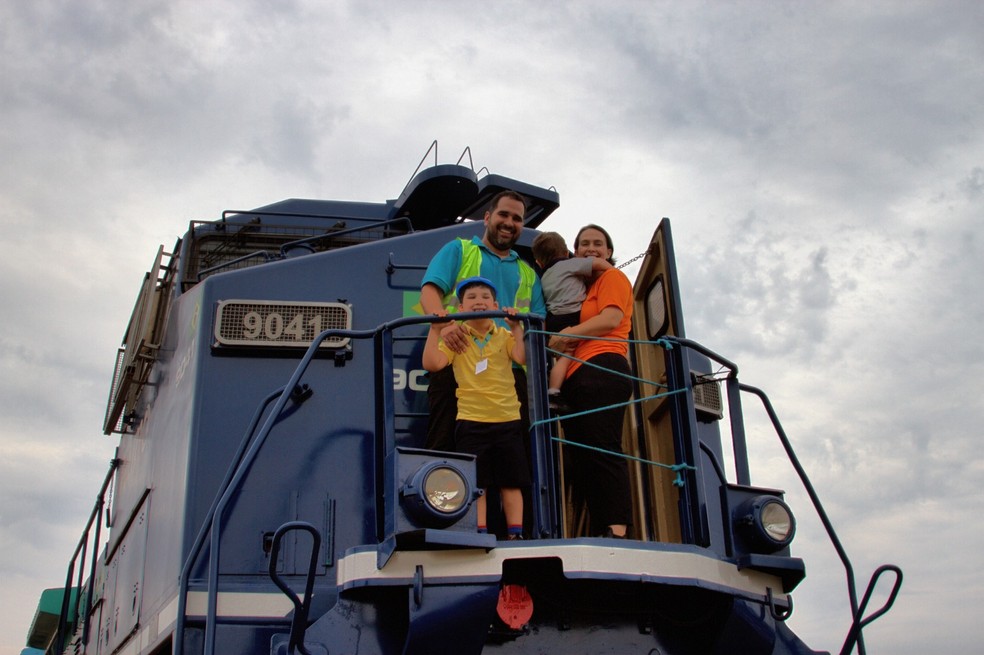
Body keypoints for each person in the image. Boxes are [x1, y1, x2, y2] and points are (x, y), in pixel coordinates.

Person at [419, 190, 546, 452]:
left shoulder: (529, 274)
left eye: (517, 218)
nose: (510, 222)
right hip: (457, 360)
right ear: (487, 218)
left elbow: (537, 326)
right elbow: (429, 292)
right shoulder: (459, 250)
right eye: (503, 214)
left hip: (509, 376)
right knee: (445, 447)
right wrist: (446, 327)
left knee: (516, 461)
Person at [422, 276, 530, 539]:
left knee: (511, 482)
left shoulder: (503, 335)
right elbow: (432, 364)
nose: (478, 301)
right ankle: (479, 531)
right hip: (471, 421)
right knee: (477, 484)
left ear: (495, 304)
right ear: (460, 309)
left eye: (485, 297)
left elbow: (522, 357)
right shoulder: (456, 340)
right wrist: (435, 330)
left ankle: (516, 534)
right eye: (471, 298)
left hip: (507, 419)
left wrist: (517, 329)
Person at [549, 224, 634, 539]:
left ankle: (618, 530)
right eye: (584, 244)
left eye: (598, 244)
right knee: (582, 460)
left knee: (603, 450)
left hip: (603, 366)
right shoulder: (583, 290)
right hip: (578, 377)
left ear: (609, 252)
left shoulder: (612, 277)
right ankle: (599, 527)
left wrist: (566, 335)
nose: (591, 249)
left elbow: (611, 319)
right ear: (575, 253)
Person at [531, 231, 612, 407]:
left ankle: (555, 389)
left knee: (564, 357)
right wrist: (612, 272)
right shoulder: (570, 264)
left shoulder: (543, 278)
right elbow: (597, 263)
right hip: (572, 314)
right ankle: (553, 392)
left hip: (554, 320)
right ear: (566, 252)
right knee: (569, 354)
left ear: (538, 262)